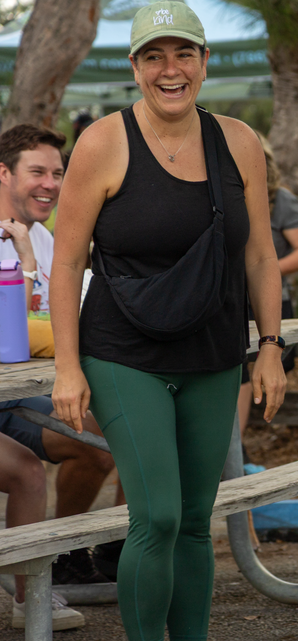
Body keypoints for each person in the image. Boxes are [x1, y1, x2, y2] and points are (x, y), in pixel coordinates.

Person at [48, 3, 286, 640]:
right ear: (134, 68)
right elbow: (67, 264)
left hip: (213, 354)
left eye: (184, 54)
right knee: (153, 516)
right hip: (123, 353)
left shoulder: (238, 141)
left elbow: (261, 254)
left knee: (191, 519)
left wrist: (270, 346)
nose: (170, 70)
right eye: (154, 56)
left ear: (205, 62)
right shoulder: (102, 143)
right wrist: (68, 368)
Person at [0, 125, 122, 631]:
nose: (51, 184)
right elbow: (17, 328)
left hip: (14, 396)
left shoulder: (45, 233)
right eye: (37, 172)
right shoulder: (27, 240)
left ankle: (62, 557)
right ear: (3, 173)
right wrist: (26, 267)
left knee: (97, 440)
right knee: (25, 470)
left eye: (58, 173)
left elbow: (72, 306)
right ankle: (29, 596)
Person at [236, 133, 298, 472]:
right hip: (226, 305)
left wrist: (262, 272)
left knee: (250, 372)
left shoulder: (281, 200)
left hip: (270, 305)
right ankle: (235, 455)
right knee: (236, 372)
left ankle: (236, 457)